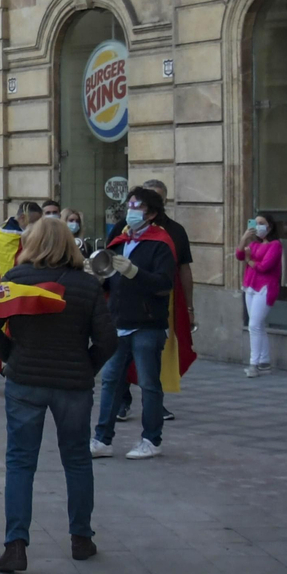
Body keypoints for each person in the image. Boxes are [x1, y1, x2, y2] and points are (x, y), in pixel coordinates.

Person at [0, 217, 117, 573]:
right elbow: (107, 340)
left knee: (21, 462)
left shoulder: (15, 281)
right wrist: (86, 365)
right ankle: (81, 537)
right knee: (76, 459)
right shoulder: (87, 285)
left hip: (25, 380)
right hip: (73, 384)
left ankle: (16, 544)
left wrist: (12, 356)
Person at [90, 187, 178, 461]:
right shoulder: (119, 238)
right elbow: (109, 279)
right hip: (119, 321)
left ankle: (151, 439)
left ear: (151, 214)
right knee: (111, 381)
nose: (131, 211)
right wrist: (95, 275)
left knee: (149, 383)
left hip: (147, 323)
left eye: (137, 207)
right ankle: (102, 439)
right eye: (129, 205)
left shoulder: (161, 243)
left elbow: (165, 284)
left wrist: (135, 272)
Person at [110, 179, 191, 423]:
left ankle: (152, 422)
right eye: (132, 204)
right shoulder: (121, 230)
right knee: (112, 375)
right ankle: (111, 420)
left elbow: (177, 273)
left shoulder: (171, 234)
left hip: (151, 313)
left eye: (142, 205)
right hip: (121, 312)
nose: (134, 210)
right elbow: (109, 260)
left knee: (150, 372)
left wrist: (189, 306)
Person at [238, 212, 283, 377]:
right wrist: (244, 239)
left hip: (265, 288)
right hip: (250, 287)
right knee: (258, 325)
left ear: (269, 227)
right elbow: (239, 255)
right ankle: (264, 362)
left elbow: (265, 266)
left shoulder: (276, 245)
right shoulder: (255, 245)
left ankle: (253, 364)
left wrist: (249, 260)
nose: (257, 227)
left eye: (261, 223)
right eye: (255, 223)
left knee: (254, 325)